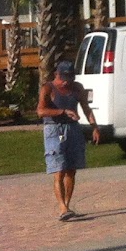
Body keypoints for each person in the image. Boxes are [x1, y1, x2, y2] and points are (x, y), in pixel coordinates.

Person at [37, 60, 99, 221]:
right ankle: (62, 208)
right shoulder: (48, 88)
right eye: (64, 77)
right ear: (57, 74)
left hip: (73, 129)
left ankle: (67, 206)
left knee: (71, 169)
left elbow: (86, 108)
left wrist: (94, 127)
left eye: (70, 77)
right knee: (59, 169)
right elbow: (41, 111)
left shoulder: (77, 88)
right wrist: (63, 111)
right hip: (54, 129)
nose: (67, 81)